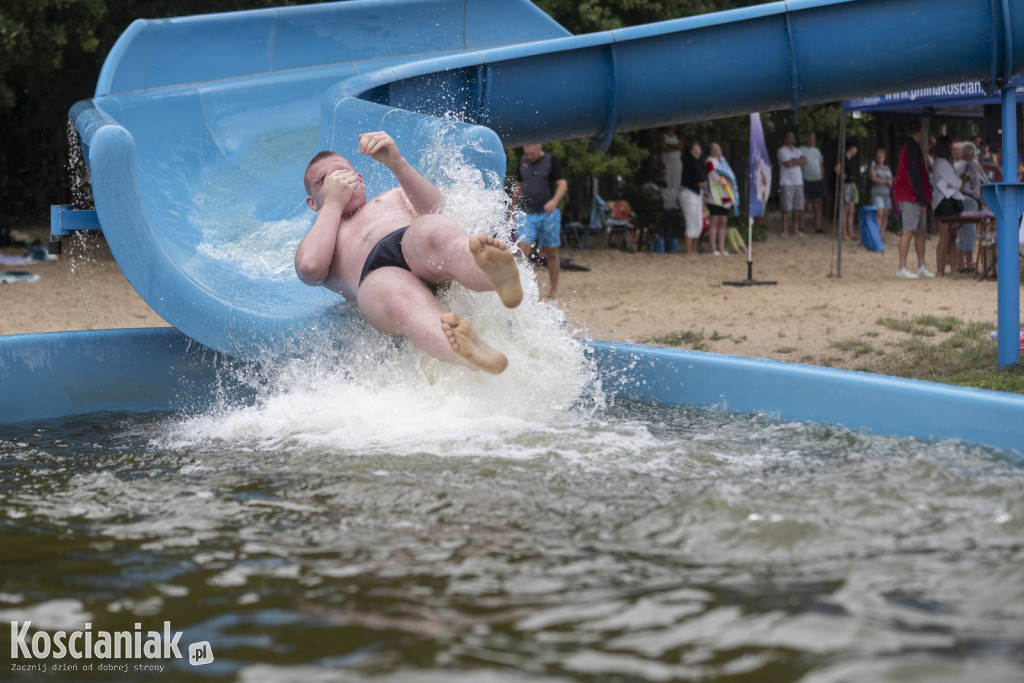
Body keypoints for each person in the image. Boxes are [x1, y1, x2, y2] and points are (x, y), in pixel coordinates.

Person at [297, 131, 523, 374]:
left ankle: (495, 276)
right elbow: (310, 269)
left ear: (360, 180)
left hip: (410, 239)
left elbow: (439, 209)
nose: (337, 181)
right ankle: (469, 350)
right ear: (313, 203)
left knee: (438, 231)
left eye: (343, 173)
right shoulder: (323, 233)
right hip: (375, 275)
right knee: (404, 305)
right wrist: (332, 202)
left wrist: (397, 163)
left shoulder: (393, 196)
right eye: (324, 181)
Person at [513, 143, 568, 299]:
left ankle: (554, 290)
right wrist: (512, 207)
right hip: (526, 213)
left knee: (551, 251)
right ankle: (520, 290)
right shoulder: (522, 160)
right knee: (522, 250)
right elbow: (519, 185)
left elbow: (562, 184)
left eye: (532, 155)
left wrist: (554, 201)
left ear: (540, 147)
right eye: (527, 154)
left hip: (548, 214)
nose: (529, 157)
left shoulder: (551, 161)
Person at [892, 119, 935, 279]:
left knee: (921, 231)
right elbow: (915, 174)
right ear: (920, 132)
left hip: (915, 195)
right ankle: (901, 267)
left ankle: (921, 265)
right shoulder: (912, 148)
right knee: (908, 231)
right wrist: (922, 198)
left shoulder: (910, 147)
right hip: (912, 197)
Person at [930, 136, 966, 277]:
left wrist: (955, 182)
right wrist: (958, 181)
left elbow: (954, 182)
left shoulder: (941, 163)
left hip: (947, 201)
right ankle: (941, 270)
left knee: (951, 236)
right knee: (945, 237)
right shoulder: (943, 163)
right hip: (945, 202)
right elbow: (957, 183)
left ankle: (952, 269)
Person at [954, 141, 986, 273]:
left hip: (968, 200)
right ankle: (968, 263)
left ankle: (963, 263)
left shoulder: (960, 165)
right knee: (969, 232)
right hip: (966, 200)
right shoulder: (964, 166)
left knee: (965, 232)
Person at [704, 142, 739, 256]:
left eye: (719, 148)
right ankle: (714, 248)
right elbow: (713, 176)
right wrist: (724, 179)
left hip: (725, 195)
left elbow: (730, 175)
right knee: (715, 220)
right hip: (715, 194)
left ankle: (722, 248)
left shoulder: (723, 162)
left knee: (723, 221)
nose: (719, 150)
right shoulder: (710, 162)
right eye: (716, 148)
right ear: (711, 151)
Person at [777, 131, 807, 237]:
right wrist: (798, 161)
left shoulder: (797, 150)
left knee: (797, 208)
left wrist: (795, 160)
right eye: (789, 137)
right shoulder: (781, 150)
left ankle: (796, 230)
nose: (792, 138)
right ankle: (784, 230)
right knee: (786, 208)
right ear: (785, 139)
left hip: (798, 182)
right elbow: (787, 164)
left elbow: (805, 160)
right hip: (787, 182)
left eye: (793, 136)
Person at [679, 139, 707, 255]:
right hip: (689, 194)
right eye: (697, 147)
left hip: (696, 194)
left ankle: (694, 249)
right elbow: (701, 179)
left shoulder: (698, 162)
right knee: (691, 222)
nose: (700, 149)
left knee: (698, 224)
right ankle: (689, 249)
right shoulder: (690, 160)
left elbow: (703, 180)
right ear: (692, 150)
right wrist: (701, 182)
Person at [798, 132, 826, 233]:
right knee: (805, 202)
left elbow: (821, 164)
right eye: (811, 138)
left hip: (818, 179)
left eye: (814, 138)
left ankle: (818, 226)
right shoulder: (800, 150)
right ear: (807, 139)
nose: (813, 140)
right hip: (806, 179)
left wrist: (822, 176)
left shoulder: (817, 151)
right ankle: (801, 226)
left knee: (818, 203)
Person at [836, 142, 860, 241]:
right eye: (856, 149)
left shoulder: (851, 159)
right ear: (852, 148)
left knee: (852, 209)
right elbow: (837, 169)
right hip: (845, 185)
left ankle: (851, 233)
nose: (856, 151)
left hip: (850, 185)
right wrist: (842, 174)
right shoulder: (843, 157)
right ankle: (844, 234)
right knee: (845, 209)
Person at [868, 148, 893, 235]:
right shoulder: (873, 167)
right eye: (878, 157)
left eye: (881, 156)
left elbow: (891, 179)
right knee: (879, 213)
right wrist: (885, 181)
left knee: (886, 214)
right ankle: (876, 235)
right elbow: (873, 178)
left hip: (887, 194)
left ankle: (881, 235)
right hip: (877, 193)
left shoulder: (887, 168)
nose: (879, 158)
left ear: (884, 158)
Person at [659, 125, 684, 210]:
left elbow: (681, 146)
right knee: (667, 182)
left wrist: (670, 145)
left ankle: (676, 202)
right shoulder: (662, 135)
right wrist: (675, 147)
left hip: (677, 163)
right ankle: (667, 204)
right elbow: (664, 147)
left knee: (676, 182)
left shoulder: (679, 136)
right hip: (666, 163)